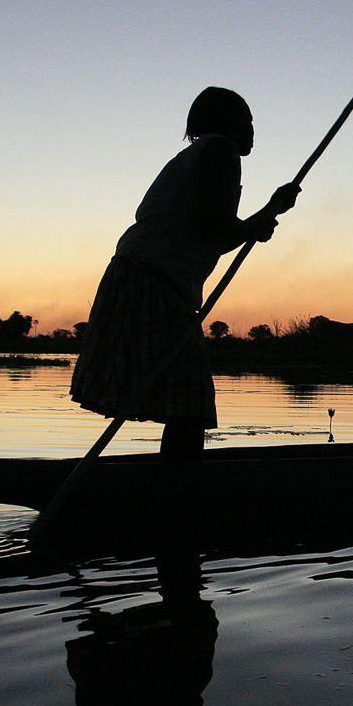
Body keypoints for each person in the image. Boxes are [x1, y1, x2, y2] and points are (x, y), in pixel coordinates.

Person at [69, 87, 299, 460]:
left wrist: (263, 217)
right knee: (190, 406)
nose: (253, 130)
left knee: (185, 405)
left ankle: (173, 483)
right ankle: (177, 490)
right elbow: (219, 230)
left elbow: (209, 239)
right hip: (151, 282)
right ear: (230, 124)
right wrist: (265, 214)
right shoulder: (219, 150)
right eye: (248, 121)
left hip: (144, 279)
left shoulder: (201, 154)